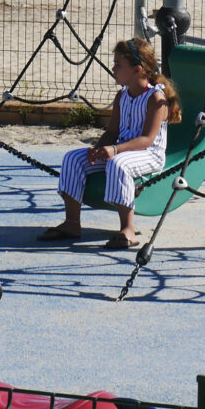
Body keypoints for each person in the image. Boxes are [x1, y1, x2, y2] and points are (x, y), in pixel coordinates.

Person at [39, 37, 180, 250]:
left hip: (149, 154)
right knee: (73, 159)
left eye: (118, 65)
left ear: (137, 70)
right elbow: (112, 131)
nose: (113, 69)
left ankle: (127, 228)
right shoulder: (122, 95)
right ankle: (72, 222)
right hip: (122, 149)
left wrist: (114, 150)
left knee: (118, 164)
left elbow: (147, 139)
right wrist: (97, 148)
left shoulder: (155, 98)